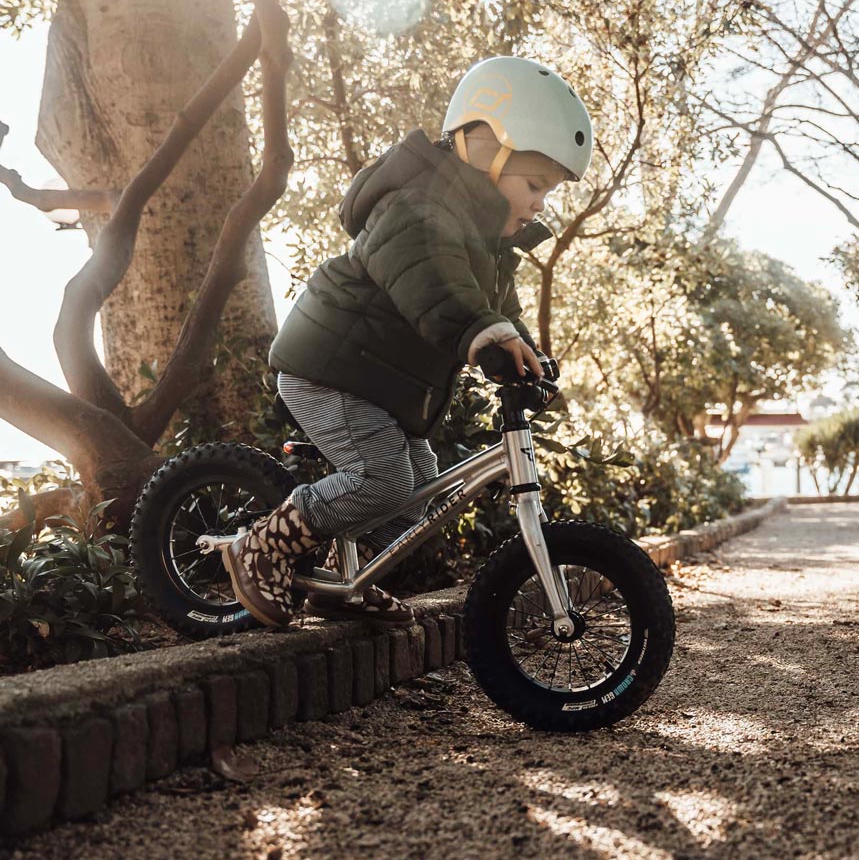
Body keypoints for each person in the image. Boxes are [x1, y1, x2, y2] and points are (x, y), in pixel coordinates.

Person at [220, 55, 593, 628]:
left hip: (376, 383)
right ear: (485, 148)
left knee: (419, 495)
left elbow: (496, 312)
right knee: (384, 481)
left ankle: (338, 583)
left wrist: (526, 355)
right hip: (333, 367)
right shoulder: (419, 206)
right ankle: (262, 546)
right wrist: (481, 331)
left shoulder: (490, 243)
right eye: (535, 184)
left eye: (548, 191)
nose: (541, 201)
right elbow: (432, 282)